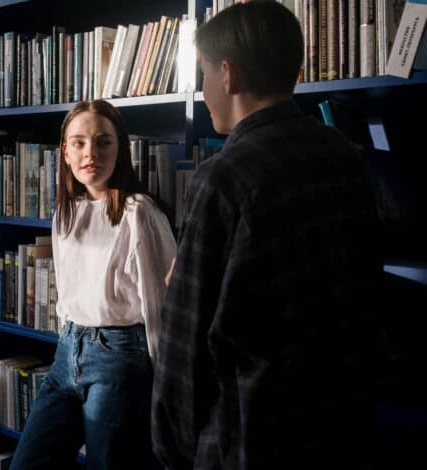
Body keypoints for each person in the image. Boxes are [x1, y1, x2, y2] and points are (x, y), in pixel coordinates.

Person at [152, 2, 383, 469]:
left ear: (229, 75)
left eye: (203, 74)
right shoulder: (344, 153)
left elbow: (185, 344)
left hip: (249, 437)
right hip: (342, 425)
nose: (203, 89)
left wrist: (173, 451)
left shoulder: (224, 178)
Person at [10, 99, 176, 469]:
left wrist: (165, 386)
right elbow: (67, 294)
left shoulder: (139, 213)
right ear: (65, 152)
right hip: (68, 351)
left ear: (120, 149)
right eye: (80, 143)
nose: (91, 153)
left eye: (104, 142)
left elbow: (160, 306)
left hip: (120, 357)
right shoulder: (65, 213)